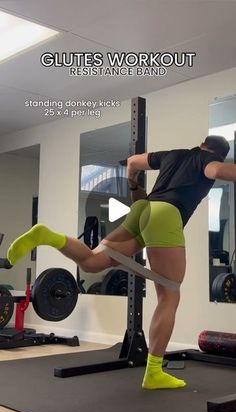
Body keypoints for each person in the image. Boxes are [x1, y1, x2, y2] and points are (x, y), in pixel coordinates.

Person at [7, 135, 231, 390]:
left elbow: (134, 162)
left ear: (202, 143)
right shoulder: (209, 160)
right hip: (167, 216)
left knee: (92, 262)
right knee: (170, 295)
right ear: (217, 153)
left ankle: (48, 236)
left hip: (143, 209)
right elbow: (215, 170)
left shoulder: (175, 154)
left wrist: (134, 187)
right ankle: (154, 373)